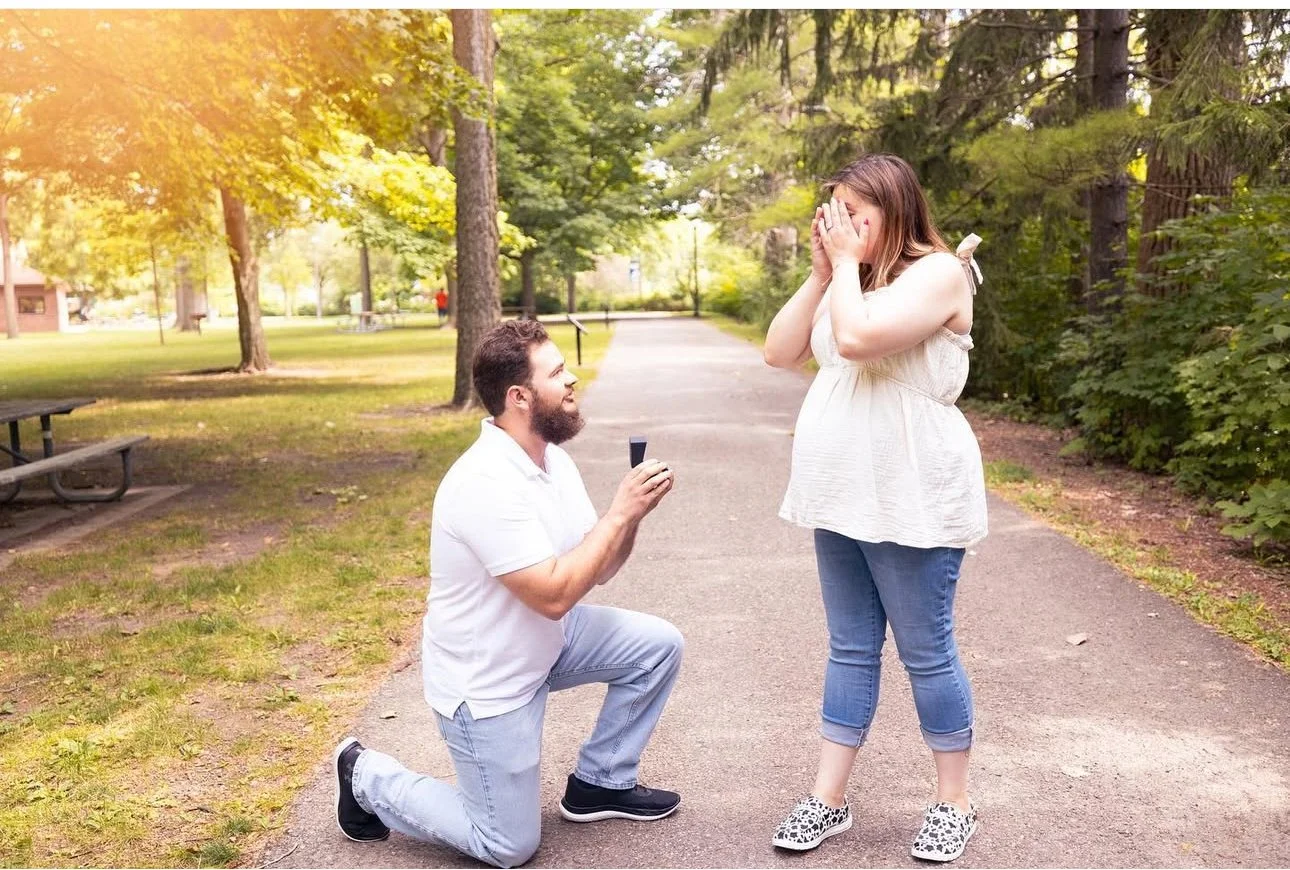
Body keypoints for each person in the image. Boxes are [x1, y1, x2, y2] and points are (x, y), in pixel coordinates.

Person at [332, 319, 684, 868]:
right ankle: (365, 776)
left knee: (658, 645)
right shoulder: (483, 484)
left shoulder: (552, 460)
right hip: (488, 682)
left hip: (547, 642)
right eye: (559, 372)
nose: (573, 380)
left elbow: (601, 567)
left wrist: (631, 518)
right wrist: (619, 512)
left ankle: (601, 782)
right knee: (506, 844)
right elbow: (552, 596)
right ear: (519, 397)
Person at [763, 153, 988, 863]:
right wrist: (821, 272)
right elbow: (779, 352)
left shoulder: (941, 274)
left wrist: (847, 268)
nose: (842, 225)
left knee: (927, 651)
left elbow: (858, 341)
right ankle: (828, 800)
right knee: (850, 649)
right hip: (841, 492)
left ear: (893, 209)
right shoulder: (848, 281)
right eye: (835, 213)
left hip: (912, 493)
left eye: (854, 212)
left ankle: (954, 802)